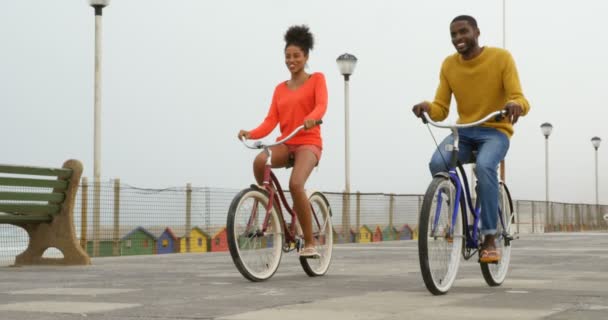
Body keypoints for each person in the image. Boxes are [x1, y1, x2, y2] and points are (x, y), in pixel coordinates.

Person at [412, 15, 530, 263]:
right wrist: (427, 107)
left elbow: (520, 97)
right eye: (453, 35)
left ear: (477, 32)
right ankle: (457, 217)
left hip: (495, 131)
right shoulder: (449, 65)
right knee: (437, 164)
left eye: (463, 32)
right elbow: (441, 108)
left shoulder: (501, 58)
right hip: (464, 132)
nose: (458, 39)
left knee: (486, 167)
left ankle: (489, 238)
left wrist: (515, 105)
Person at [237, 25, 327, 258]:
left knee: (296, 184)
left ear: (306, 56)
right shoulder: (280, 89)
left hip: (309, 142)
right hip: (286, 142)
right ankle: (276, 215)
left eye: (296, 55)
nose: (291, 60)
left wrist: (311, 118)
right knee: (259, 161)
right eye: (288, 56)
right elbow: (270, 121)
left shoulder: (317, 79)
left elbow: (321, 106)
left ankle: (309, 243)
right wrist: (251, 133)